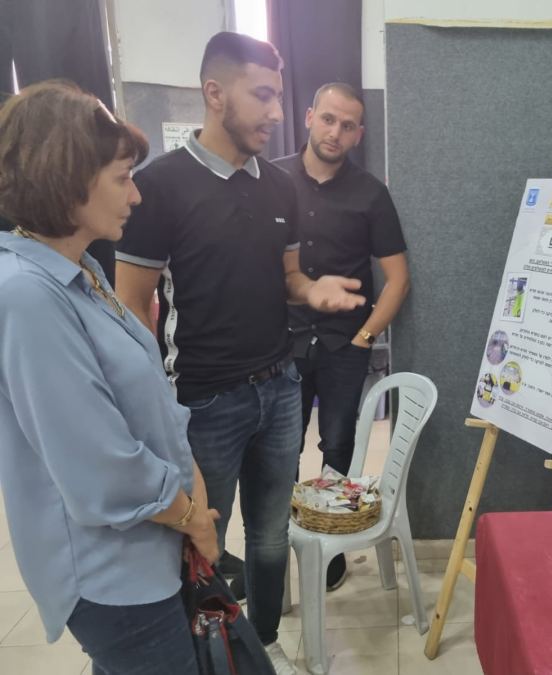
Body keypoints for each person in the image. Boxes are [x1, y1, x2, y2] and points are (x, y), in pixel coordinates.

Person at [115, 34, 363, 675]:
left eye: (278, 96)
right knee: (198, 539)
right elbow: (130, 307)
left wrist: (314, 290)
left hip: (280, 389)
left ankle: (264, 645)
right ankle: (200, 657)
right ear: (215, 93)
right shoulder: (158, 187)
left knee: (271, 533)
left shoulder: (279, 187)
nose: (276, 112)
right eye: (262, 95)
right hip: (202, 402)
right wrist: (146, 408)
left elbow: (290, 278)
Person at [0, 81, 220, 673]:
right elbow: (99, 464)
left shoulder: (80, 272)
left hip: (149, 546)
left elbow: (147, 402)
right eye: (123, 178)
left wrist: (191, 487)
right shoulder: (27, 294)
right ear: (67, 179)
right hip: (114, 574)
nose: (136, 195)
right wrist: (192, 519)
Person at [272, 82, 409, 590]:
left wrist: (365, 338)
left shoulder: (371, 194)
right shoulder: (271, 180)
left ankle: (328, 547)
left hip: (343, 345)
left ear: (358, 135)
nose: (335, 132)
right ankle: (275, 546)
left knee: (338, 445)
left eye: (347, 125)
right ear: (309, 116)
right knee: (278, 449)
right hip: (278, 342)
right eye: (328, 119)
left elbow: (398, 278)